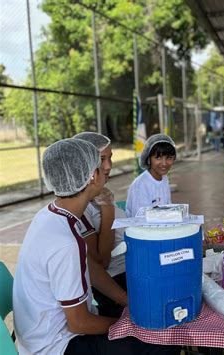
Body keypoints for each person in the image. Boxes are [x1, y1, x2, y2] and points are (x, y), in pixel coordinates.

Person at [13, 138, 180, 355]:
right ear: (92, 176)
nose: (107, 168)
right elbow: (79, 323)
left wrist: (124, 300)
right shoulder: (65, 243)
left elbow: (90, 265)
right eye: (102, 164)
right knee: (162, 343)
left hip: (43, 333)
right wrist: (127, 325)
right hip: (57, 345)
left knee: (152, 328)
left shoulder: (52, 215)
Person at [73, 132, 127, 318]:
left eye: (110, 158)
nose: (109, 166)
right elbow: (100, 262)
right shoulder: (79, 206)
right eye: (102, 159)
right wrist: (108, 209)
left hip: (128, 270)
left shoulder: (101, 195)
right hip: (114, 280)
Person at [126, 134, 176, 217]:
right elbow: (140, 218)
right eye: (158, 157)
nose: (164, 163)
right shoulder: (141, 185)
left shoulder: (164, 178)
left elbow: (168, 206)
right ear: (148, 159)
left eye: (169, 158)